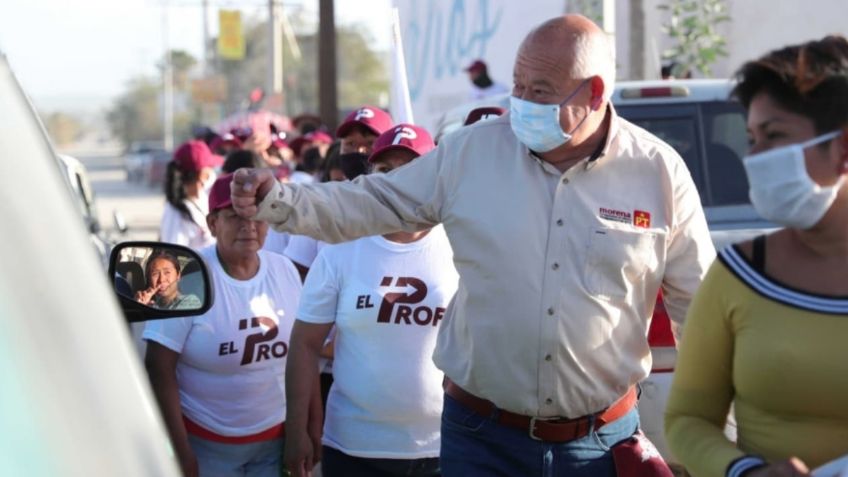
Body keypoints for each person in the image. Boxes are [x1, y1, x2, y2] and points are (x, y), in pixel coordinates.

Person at [231, 14, 714, 477]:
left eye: (539, 91)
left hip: (602, 444)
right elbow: (371, 201)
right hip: (482, 438)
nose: (521, 101)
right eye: (517, 85)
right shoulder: (471, 153)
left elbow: (702, 312)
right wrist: (278, 199)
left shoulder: (658, 173)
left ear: (593, 93)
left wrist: (715, 440)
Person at [664, 35, 848, 477]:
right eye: (751, 137)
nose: (754, 157)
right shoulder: (739, 274)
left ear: (843, 148)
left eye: (775, 136)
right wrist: (743, 470)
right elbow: (686, 420)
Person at [285, 124, 455, 477]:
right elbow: (304, 343)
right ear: (370, 178)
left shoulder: (462, 246)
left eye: (411, 169)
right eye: (385, 171)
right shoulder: (339, 250)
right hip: (354, 448)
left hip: (445, 445)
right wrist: (298, 429)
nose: (397, 181)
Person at [143, 173, 309, 477]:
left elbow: (303, 357)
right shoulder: (185, 278)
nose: (249, 226)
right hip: (205, 445)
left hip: (275, 442)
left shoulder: (284, 269)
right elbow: (158, 367)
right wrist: (181, 452)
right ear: (213, 223)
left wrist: (304, 431)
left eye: (258, 215)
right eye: (234, 216)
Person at [160, 140, 221, 250]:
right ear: (201, 174)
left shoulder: (203, 198)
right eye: (210, 167)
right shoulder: (176, 213)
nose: (213, 171)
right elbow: (173, 256)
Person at [134, 250, 201, 310]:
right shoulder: (148, 303)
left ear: (178, 275)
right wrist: (139, 307)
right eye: (155, 274)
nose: (161, 280)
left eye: (167, 272)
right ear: (148, 278)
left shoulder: (189, 301)